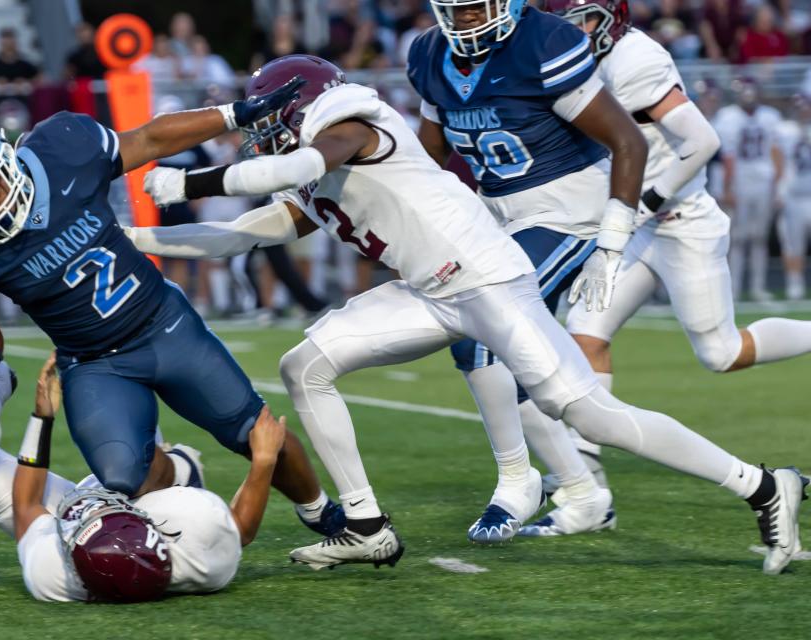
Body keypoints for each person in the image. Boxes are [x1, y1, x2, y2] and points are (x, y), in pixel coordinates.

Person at [128, 53, 808, 575]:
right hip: (431, 292)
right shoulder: (316, 158)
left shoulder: (350, 127)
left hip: (486, 282)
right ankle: (366, 526)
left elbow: (297, 162)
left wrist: (192, 182)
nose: (261, 133)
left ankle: (760, 484)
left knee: (587, 413)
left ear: (302, 107)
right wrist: (138, 240)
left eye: (270, 117)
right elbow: (248, 231)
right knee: (306, 365)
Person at [0, 82, 345, 538]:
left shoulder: (62, 147)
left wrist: (233, 114)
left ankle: (319, 510)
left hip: (163, 324)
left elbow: (150, 139)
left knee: (251, 429)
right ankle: (178, 471)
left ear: (7, 159)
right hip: (93, 363)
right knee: (124, 478)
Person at [545, 0, 811, 525]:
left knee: (722, 352)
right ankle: (591, 490)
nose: (575, 34)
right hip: (637, 226)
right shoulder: (565, 59)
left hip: (680, 221)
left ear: (612, 18)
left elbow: (702, 140)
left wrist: (644, 201)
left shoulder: (636, 58)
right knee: (585, 334)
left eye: (584, 21)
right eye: (564, 24)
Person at [409, 0, 650, 539]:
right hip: (499, 214)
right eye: (456, 9)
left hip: (568, 210)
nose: (466, 18)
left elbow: (628, 140)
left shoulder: (542, 43)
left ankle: (520, 481)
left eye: (476, 7)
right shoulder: (429, 54)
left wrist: (611, 243)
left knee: (482, 336)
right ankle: (582, 490)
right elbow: (427, 159)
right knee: (533, 366)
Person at [0, 351, 286, 602]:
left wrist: (43, 416)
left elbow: (26, 505)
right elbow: (240, 528)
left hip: (77, 510)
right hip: (163, 491)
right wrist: (265, 460)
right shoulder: (196, 540)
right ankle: (172, 461)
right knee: (128, 470)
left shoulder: (53, 573)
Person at [712, 78, 784, 301]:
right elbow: (727, 157)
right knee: (738, 238)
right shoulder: (728, 117)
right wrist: (727, 188)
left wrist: (777, 185)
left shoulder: (770, 116)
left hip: (762, 181)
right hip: (740, 181)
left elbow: (776, 152)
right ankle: (733, 288)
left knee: (758, 237)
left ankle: (757, 287)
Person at [775, 94, 811, 299]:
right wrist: (779, 189)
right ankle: (794, 283)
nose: (803, 111)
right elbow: (777, 159)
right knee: (792, 242)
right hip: (793, 196)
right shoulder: (784, 130)